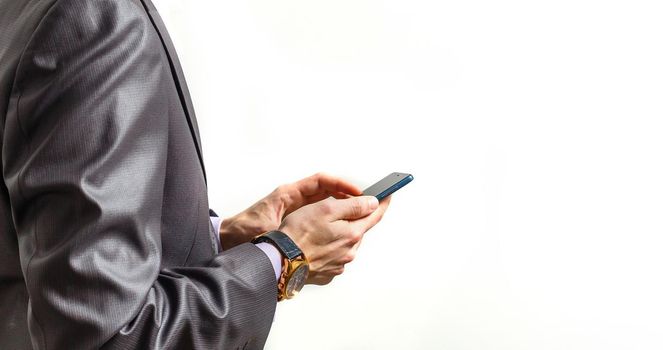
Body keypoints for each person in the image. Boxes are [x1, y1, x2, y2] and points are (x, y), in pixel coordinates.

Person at [0, 0, 390, 348]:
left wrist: (221, 237)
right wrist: (285, 257)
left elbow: (41, 242)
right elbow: (107, 334)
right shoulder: (97, 18)